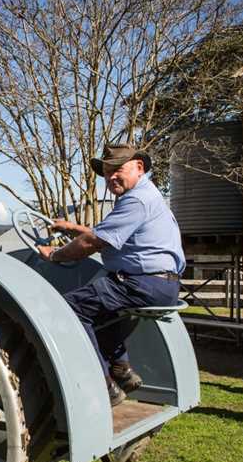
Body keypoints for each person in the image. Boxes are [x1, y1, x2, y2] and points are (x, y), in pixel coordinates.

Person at [37, 144, 185, 406]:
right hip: (162, 283)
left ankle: (104, 386)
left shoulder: (136, 200)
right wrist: (71, 227)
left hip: (142, 283)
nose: (111, 177)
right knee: (102, 315)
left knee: (70, 308)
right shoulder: (145, 196)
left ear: (139, 167)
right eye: (106, 173)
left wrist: (54, 255)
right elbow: (107, 233)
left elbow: (93, 242)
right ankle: (123, 372)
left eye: (118, 169)